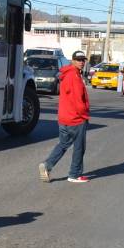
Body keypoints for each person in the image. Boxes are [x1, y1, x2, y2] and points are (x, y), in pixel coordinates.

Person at [38, 50, 90, 184]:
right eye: (78, 60)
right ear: (72, 61)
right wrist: (84, 115)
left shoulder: (66, 74)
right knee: (79, 147)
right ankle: (75, 174)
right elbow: (78, 100)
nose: (81, 62)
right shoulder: (74, 76)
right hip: (76, 118)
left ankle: (47, 165)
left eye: (83, 60)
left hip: (64, 117)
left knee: (63, 144)